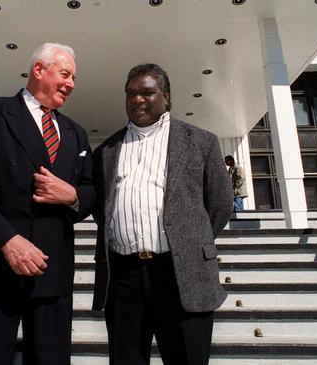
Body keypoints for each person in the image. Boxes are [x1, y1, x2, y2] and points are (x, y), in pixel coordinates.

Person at [0, 42, 94, 365]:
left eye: (74, 78)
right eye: (66, 74)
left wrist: (70, 194)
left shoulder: (76, 133)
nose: (71, 84)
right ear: (38, 70)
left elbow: (91, 192)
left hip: (53, 274)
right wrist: (8, 241)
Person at [91, 63, 233, 365]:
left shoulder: (201, 142)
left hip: (181, 274)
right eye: (130, 94)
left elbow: (220, 204)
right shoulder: (107, 150)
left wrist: (189, 241)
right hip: (124, 277)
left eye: (147, 93)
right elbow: (102, 209)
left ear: (166, 97)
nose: (137, 100)